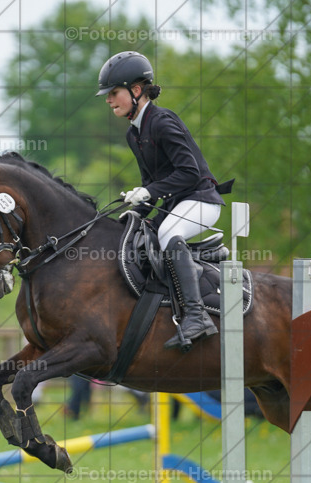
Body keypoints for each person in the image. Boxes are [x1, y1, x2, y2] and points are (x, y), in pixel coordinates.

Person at [96, 50, 225, 350]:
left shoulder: (162, 122)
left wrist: (149, 193)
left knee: (167, 234)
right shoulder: (134, 134)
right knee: (137, 236)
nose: (109, 100)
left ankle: (197, 316)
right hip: (176, 205)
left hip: (201, 201)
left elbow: (190, 173)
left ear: (136, 90)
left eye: (113, 93)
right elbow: (150, 183)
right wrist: (136, 212)